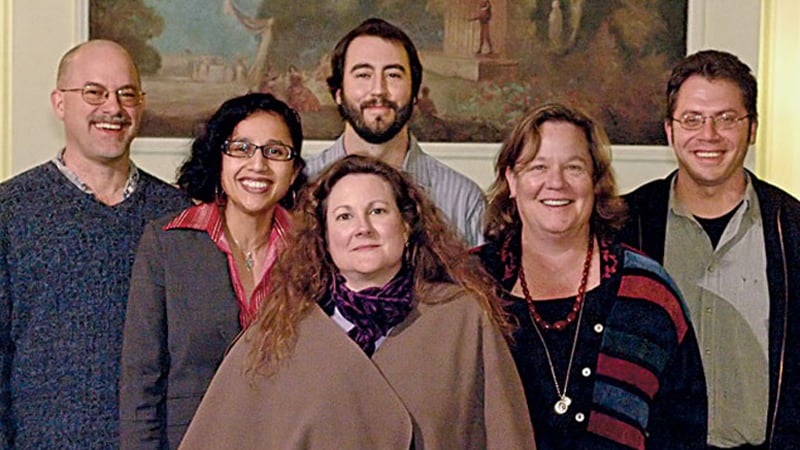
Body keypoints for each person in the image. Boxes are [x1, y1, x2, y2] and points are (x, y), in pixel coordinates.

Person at [179, 155, 536, 449]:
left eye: (378, 211)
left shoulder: (461, 318)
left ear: (406, 226)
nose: (362, 228)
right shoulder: (282, 330)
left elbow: (506, 436)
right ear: (323, 237)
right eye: (344, 216)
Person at [475, 103, 707, 449]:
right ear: (511, 180)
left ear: (596, 181)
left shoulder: (649, 293)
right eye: (538, 167)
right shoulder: (469, 285)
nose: (556, 183)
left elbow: (684, 431)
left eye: (574, 167)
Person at [0, 40, 189, 447]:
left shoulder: (179, 214)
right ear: (59, 102)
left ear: (141, 104)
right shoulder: (9, 212)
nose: (113, 108)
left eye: (127, 94)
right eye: (94, 92)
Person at [619, 50, 800, 449]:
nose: (710, 135)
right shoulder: (624, 227)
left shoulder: (792, 229)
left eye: (727, 118)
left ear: (752, 129)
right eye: (692, 119)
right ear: (669, 131)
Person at [118, 93, 305, 449]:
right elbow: (141, 379)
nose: (258, 164)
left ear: (294, 170)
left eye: (275, 151)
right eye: (241, 148)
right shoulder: (167, 244)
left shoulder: (313, 249)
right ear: (219, 159)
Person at [305, 18, 486, 247]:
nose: (378, 90)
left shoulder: (463, 201)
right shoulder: (301, 186)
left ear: (414, 94)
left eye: (393, 75)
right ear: (338, 93)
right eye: (363, 75)